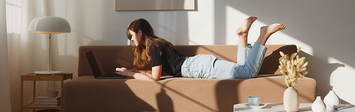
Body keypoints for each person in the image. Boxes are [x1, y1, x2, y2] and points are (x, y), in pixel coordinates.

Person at [115, 17, 286, 81]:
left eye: (131, 36)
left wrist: (129, 74)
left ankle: (263, 35)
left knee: (248, 72)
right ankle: (242, 35)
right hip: (196, 65)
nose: (131, 40)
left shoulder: (153, 47)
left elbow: (155, 77)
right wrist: (128, 69)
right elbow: (152, 71)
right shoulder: (157, 43)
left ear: (139, 32)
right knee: (243, 70)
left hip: (197, 67)